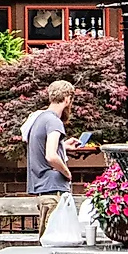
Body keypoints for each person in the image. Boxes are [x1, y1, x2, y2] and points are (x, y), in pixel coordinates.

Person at [22, 79, 75, 225]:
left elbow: (39, 147)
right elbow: (51, 156)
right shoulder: (54, 122)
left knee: (47, 242)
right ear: (67, 99)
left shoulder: (38, 118)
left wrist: (64, 147)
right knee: (56, 242)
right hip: (54, 192)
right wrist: (67, 173)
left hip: (43, 190)